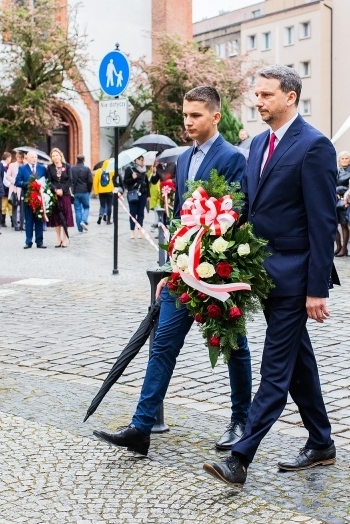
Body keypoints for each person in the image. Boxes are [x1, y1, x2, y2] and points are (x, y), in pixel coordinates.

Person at [93, 86, 253, 456]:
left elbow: (237, 214)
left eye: (195, 115)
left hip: (218, 270)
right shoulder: (183, 159)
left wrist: (213, 261)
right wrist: (170, 266)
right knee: (162, 344)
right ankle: (142, 427)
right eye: (185, 115)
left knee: (233, 346)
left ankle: (240, 420)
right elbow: (181, 218)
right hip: (182, 269)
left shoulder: (233, 158)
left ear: (215, 116)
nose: (188, 122)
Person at [203, 65, 337, 486]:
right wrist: (215, 242)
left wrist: (317, 289)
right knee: (299, 363)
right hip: (262, 274)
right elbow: (250, 207)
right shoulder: (258, 143)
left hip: (296, 277)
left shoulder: (315, 146)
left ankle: (240, 459)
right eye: (256, 95)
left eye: (266, 95)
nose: (257, 102)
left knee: (275, 369)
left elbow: (323, 223)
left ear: (290, 97)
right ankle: (321, 442)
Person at [15, 151, 47, 249]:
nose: (34, 159)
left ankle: (39, 241)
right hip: (28, 198)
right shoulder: (22, 168)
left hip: (40, 198)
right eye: (32, 157)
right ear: (27, 158)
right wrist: (29, 184)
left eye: (35, 157)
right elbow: (17, 182)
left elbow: (46, 180)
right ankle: (28, 241)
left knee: (39, 220)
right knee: (29, 220)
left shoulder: (42, 168)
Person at [46, 148, 73, 247]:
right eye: (53, 156)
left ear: (61, 156)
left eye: (57, 155)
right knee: (56, 217)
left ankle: (64, 239)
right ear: (51, 158)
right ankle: (58, 238)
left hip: (65, 195)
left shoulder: (67, 166)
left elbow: (70, 180)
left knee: (65, 217)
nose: (55, 157)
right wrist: (55, 190)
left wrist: (62, 190)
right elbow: (49, 181)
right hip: (55, 195)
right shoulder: (50, 168)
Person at [124, 155, 149, 239]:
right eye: (141, 160)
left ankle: (140, 230)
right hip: (133, 194)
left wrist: (148, 195)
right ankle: (132, 231)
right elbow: (125, 182)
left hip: (143, 193)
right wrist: (133, 178)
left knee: (141, 213)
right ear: (136, 160)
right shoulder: (130, 169)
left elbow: (147, 183)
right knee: (133, 212)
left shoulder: (144, 170)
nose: (142, 161)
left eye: (143, 160)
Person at [334, 151, 350, 257]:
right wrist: (335, 191)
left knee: (344, 224)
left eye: (346, 158)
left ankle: (344, 248)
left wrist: (342, 192)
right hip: (335, 199)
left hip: (345, 200)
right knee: (333, 224)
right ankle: (338, 246)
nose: (344, 160)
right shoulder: (336, 170)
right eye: (342, 158)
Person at [71, 155, 93, 233]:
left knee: (77, 210)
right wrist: (89, 190)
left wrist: (72, 190)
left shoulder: (72, 169)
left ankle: (80, 228)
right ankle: (83, 220)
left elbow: (71, 180)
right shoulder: (87, 169)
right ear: (84, 160)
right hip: (84, 191)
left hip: (76, 192)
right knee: (86, 207)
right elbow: (90, 181)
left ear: (77, 159)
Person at [6, 151, 24, 231]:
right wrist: (14, 180)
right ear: (16, 157)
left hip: (23, 187)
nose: (20, 159)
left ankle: (22, 223)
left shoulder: (25, 165)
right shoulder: (12, 165)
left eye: (22, 157)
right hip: (14, 188)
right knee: (15, 206)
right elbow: (7, 176)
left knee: (23, 206)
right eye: (19, 157)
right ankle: (15, 224)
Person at [93, 160, 114, 225]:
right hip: (109, 190)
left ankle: (100, 217)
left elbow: (95, 182)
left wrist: (96, 191)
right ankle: (108, 220)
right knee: (109, 205)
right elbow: (116, 175)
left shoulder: (98, 171)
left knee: (102, 205)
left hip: (101, 191)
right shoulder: (111, 171)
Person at [0, 151, 13, 228]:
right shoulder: (2, 166)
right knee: (4, 205)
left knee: (10, 204)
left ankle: (12, 221)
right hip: (5, 188)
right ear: (8, 158)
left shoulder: (8, 166)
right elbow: (4, 179)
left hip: (8, 188)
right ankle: (2, 221)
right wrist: (10, 185)